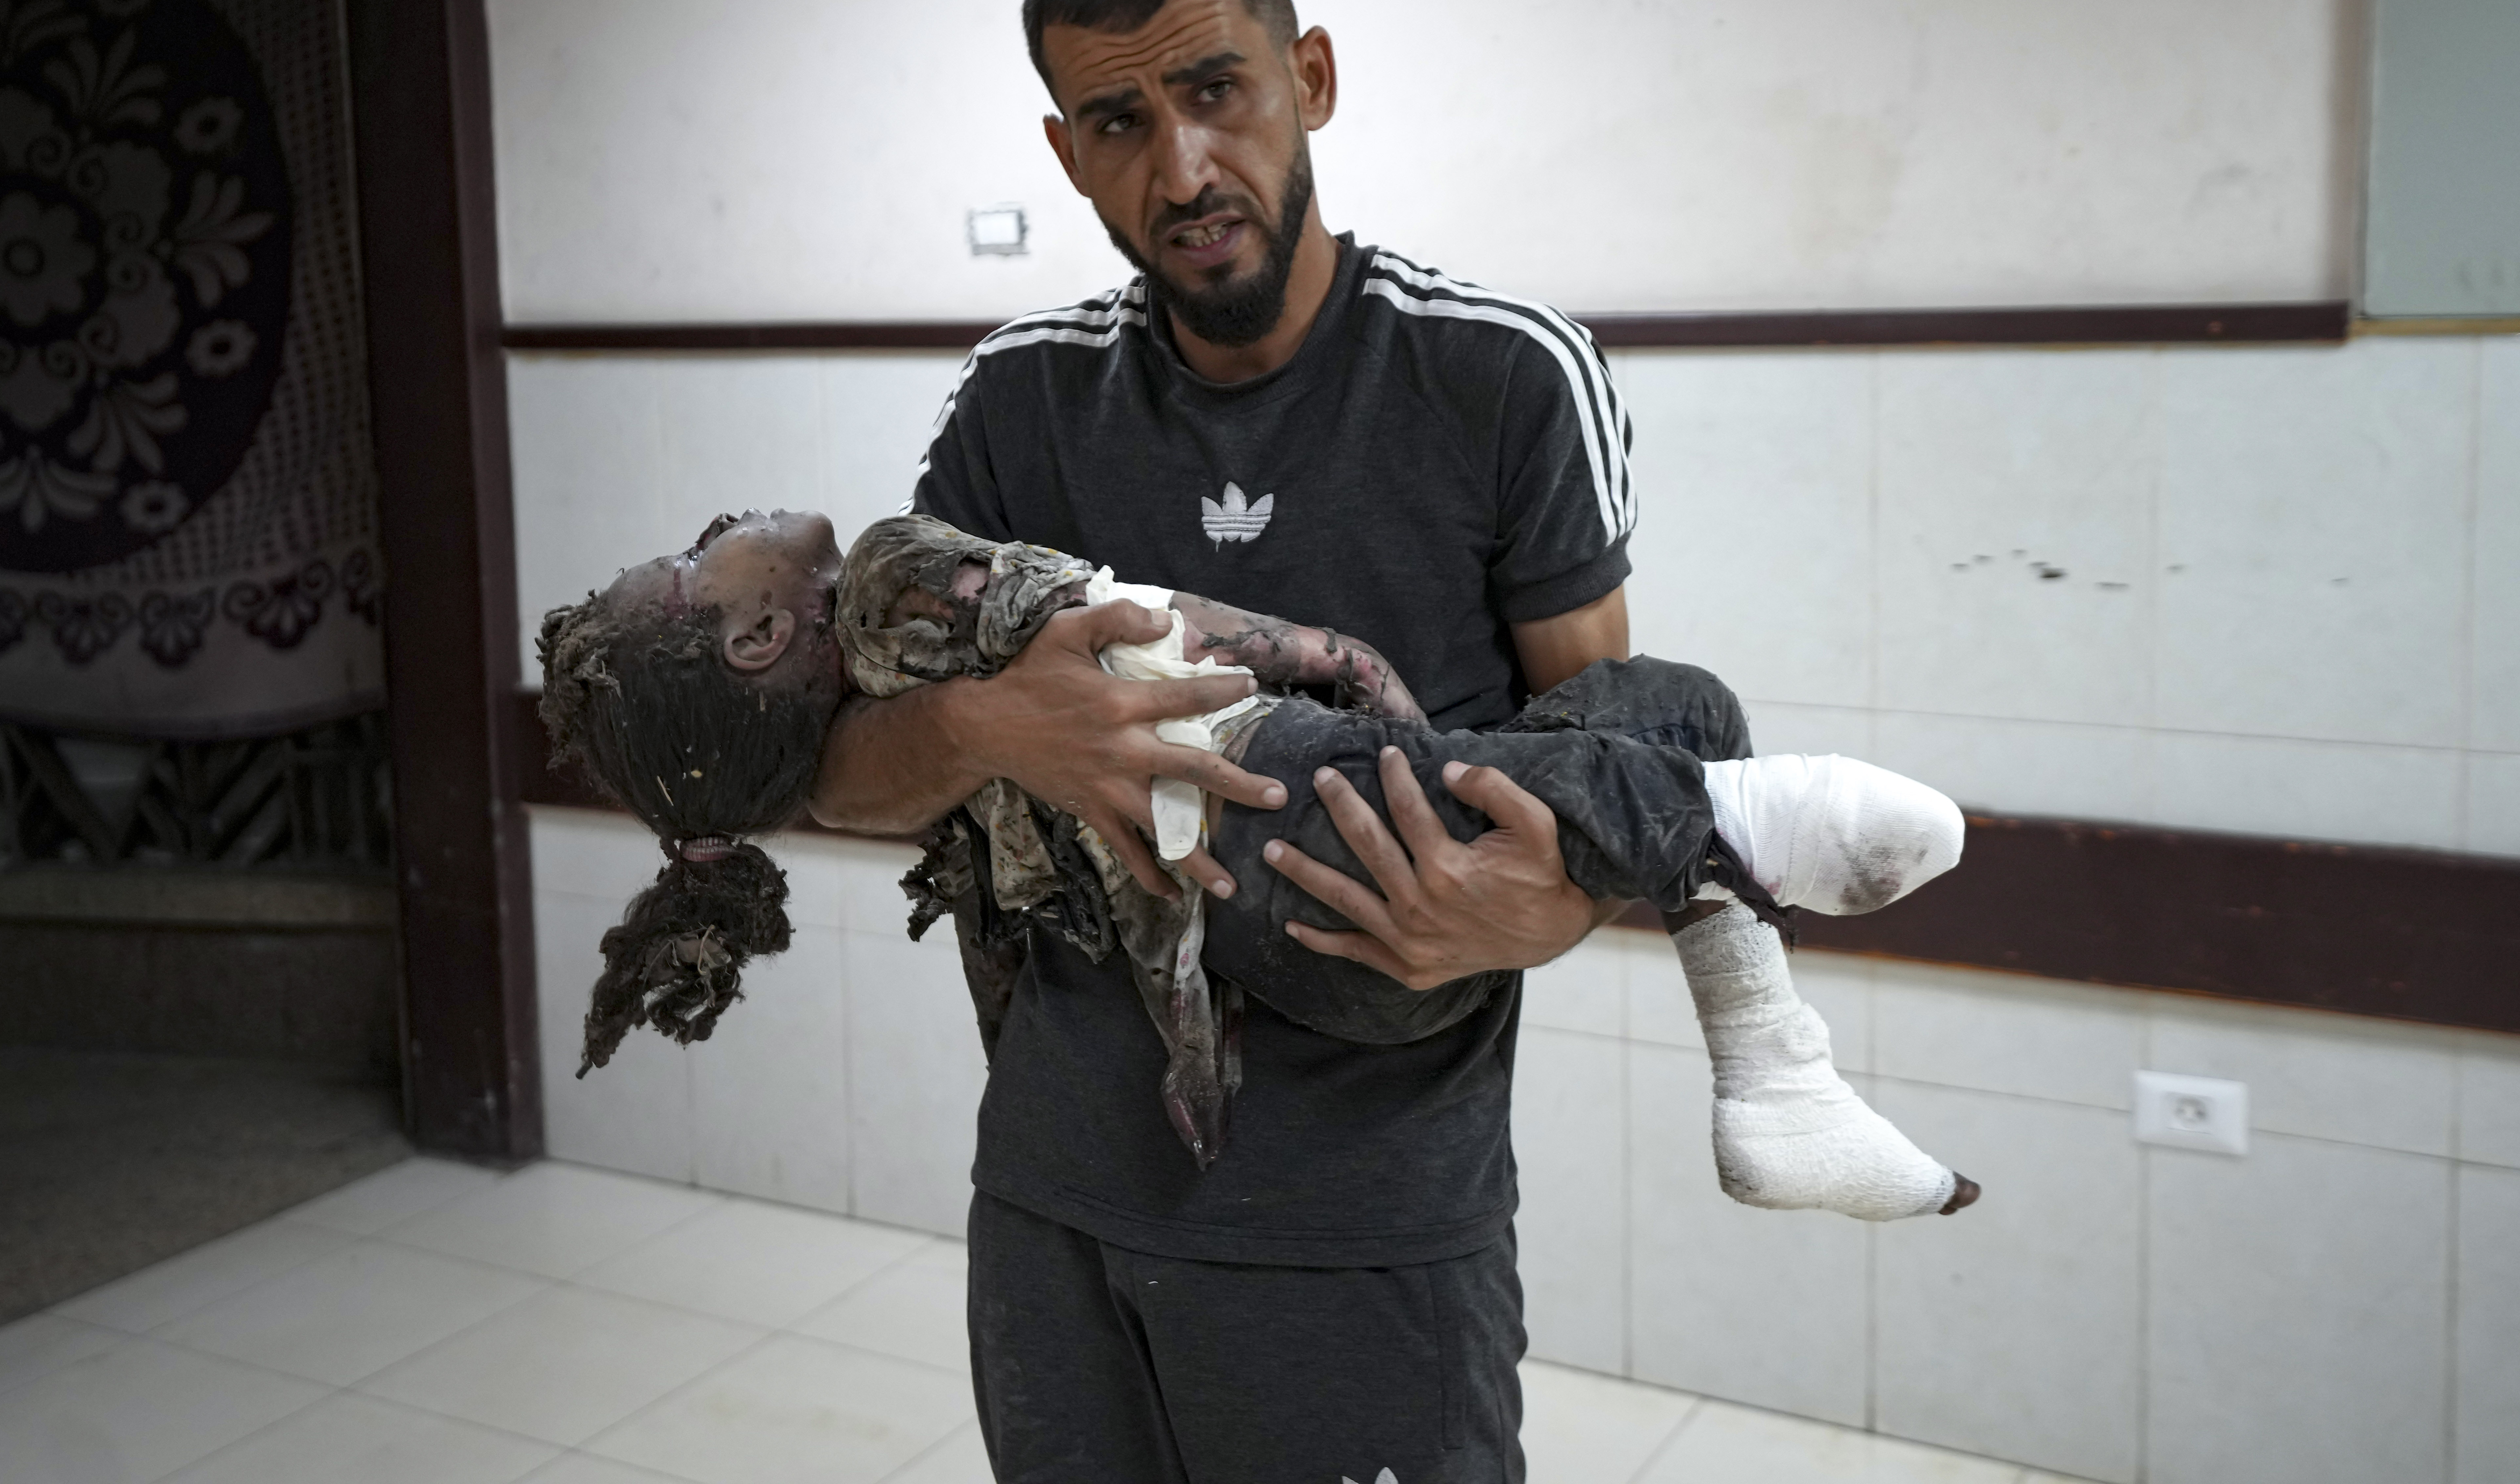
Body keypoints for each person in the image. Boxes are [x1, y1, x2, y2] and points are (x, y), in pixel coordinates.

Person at [797, 0, 1766, 1481]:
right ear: (1065, 152)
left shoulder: (1501, 374)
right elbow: (841, 776)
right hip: (1058, 1195)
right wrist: (983, 722)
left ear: (1308, 78)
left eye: (1215, 92)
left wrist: (1554, 910)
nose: (1180, 168)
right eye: (1117, 120)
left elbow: (1621, 772)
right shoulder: (1021, 396)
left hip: (1372, 1221)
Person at [542, 506, 1982, 1237]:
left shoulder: (859, 696)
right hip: (1301, 845)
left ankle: (1772, 1070)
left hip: (1338, 959)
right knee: (1695, 739)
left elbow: (858, 810)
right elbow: (1312, 656)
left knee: (1666, 706)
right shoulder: (891, 578)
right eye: (685, 563)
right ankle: (1757, 906)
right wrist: (1417, 756)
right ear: (747, 645)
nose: (708, 533)